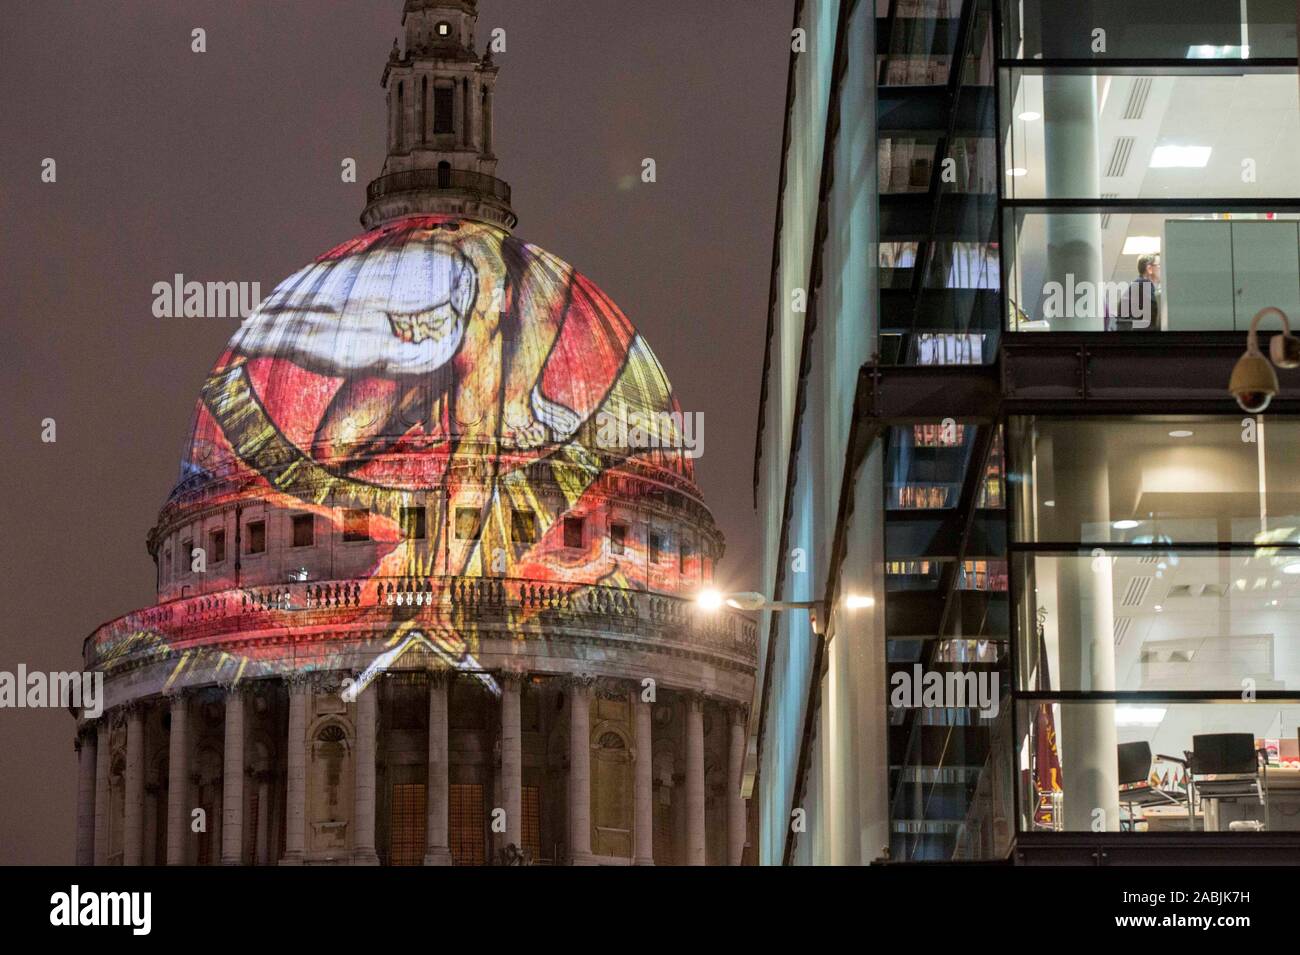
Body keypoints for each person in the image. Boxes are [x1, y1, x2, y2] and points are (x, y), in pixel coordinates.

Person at [1109, 254, 1161, 331]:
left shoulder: (1139, 284)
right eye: (1159, 265)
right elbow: (1154, 313)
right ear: (1149, 269)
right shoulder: (1143, 284)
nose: (1161, 268)